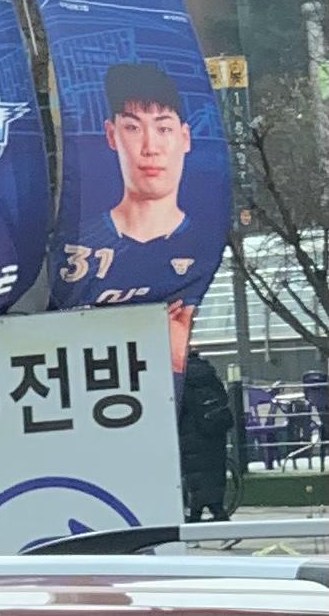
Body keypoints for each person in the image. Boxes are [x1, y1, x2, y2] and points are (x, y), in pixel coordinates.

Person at [51, 63, 223, 373]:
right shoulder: (73, 241)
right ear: (111, 134)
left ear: (185, 137)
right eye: (132, 127)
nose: (150, 147)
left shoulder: (207, 244)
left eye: (164, 128)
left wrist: (175, 359)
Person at [179, 350, 233, 523]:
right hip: (215, 433)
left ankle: (202, 519)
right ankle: (214, 515)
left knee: (196, 480)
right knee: (212, 477)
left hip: (192, 436)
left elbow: (178, 407)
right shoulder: (209, 373)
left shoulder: (181, 380)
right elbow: (224, 398)